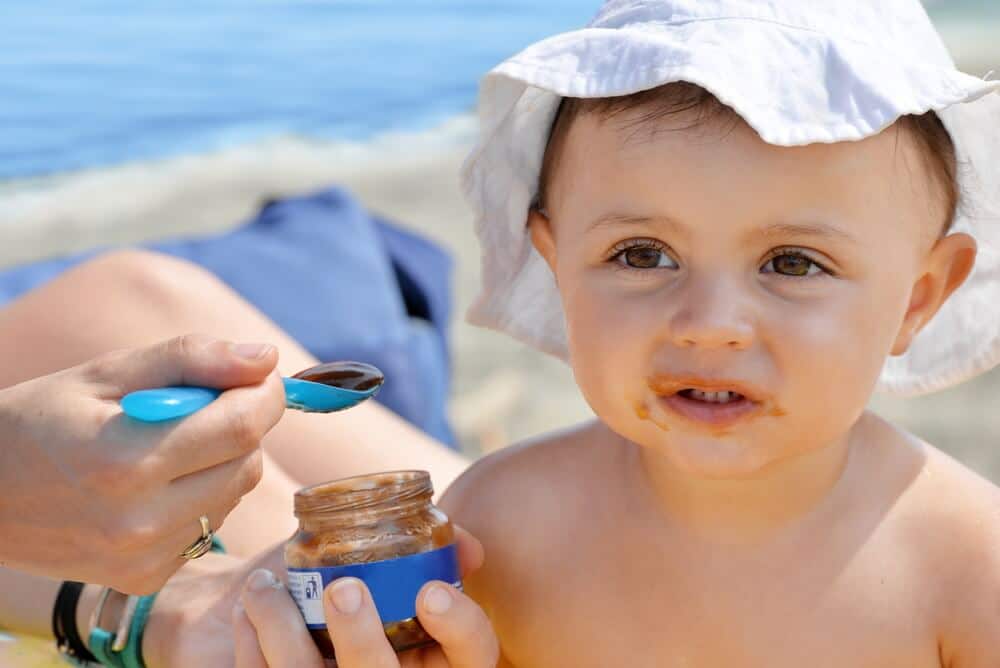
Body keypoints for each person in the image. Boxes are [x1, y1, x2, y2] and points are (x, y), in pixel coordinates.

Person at [427, 0, 999, 665]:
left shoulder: (964, 567)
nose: (709, 326)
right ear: (558, 265)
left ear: (917, 298)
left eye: (793, 263)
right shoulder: (501, 530)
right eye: (643, 255)